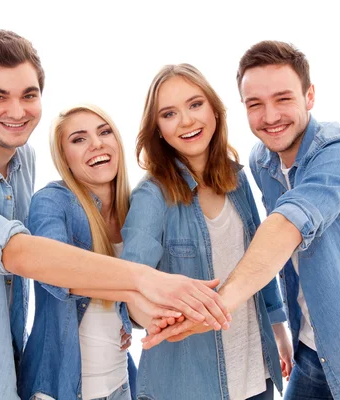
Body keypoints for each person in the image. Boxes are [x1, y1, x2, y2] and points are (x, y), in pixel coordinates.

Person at [0, 30, 230, 400]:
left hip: (8, 371)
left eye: (29, 95)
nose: (18, 110)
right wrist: (144, 280)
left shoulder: (22, 160)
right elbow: (16, 253)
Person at [145, 41, 340, 399]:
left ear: (309, 96)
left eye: (283, 99)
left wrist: (216, 306)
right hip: (312, 349)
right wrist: (281, 327)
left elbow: (284, 227)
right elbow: (273, 257)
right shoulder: (262, 160)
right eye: (255, 104)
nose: (270, 116)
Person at [120, 63, 291, 400]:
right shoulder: (151, 197)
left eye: (195, 104)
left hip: (256, 376)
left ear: (214, 109)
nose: (186, 120)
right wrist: (150, 317)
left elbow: (259, 258)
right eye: (169, 114)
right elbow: (131, 285)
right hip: (188, 385)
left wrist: (278, 326)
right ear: (157, 129)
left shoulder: (236, 178)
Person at [18, 105, 159, 400]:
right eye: (79, 139)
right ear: (64, 159)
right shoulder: (52, 201)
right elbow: (54, 274)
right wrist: (129, 291)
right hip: (60, 389)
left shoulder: (133, 211)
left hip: (121, 384)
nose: (97, 143)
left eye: (104, 131)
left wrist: (130, 315)